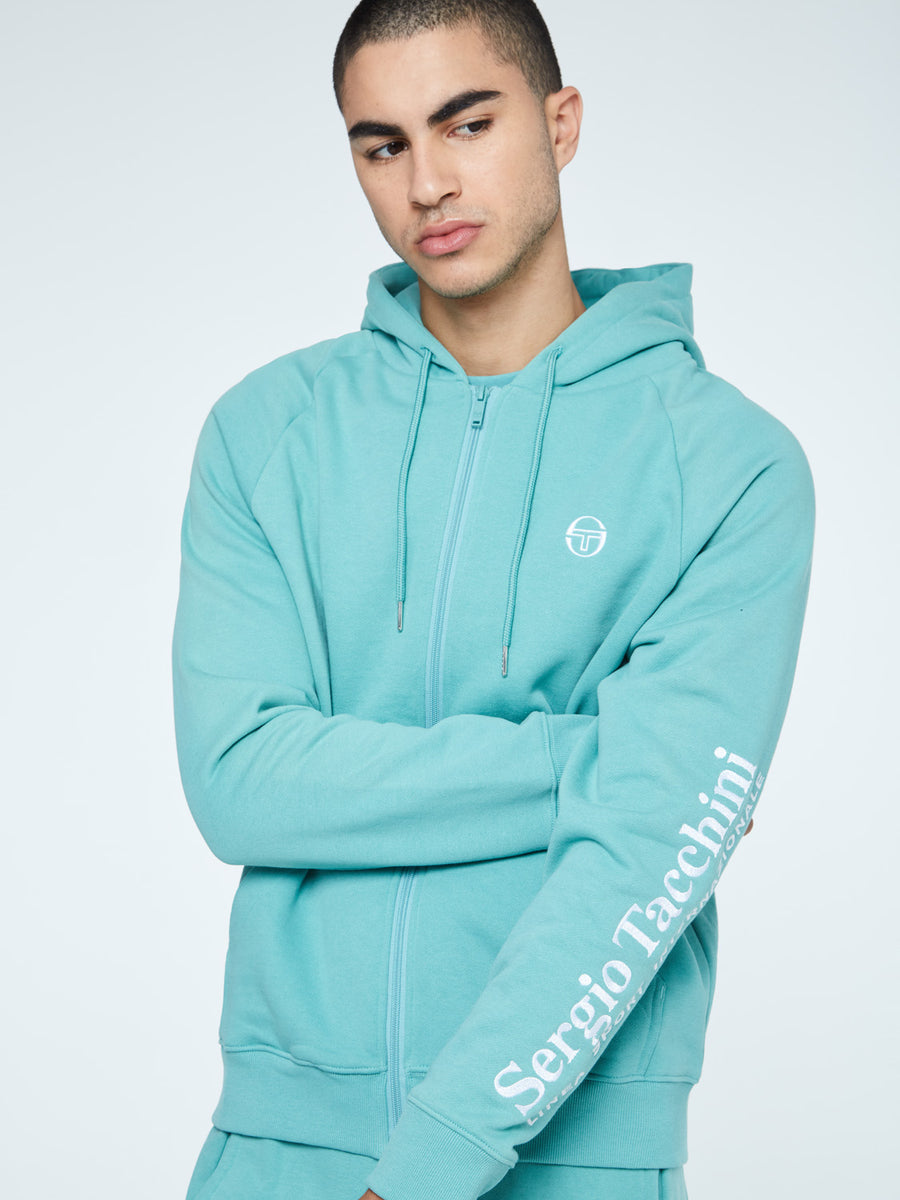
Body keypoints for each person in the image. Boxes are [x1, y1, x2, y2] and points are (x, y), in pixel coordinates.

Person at [173, 2, 814, 1198]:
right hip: (276, 1152)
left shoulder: (727, 466)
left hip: (577, 1158)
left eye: (467, 123)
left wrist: (428, 1169)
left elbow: (642, 866)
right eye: (384, 144)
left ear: (560, 123)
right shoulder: (267, 434)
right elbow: (240, 784)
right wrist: (594, 764)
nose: (427, 183)